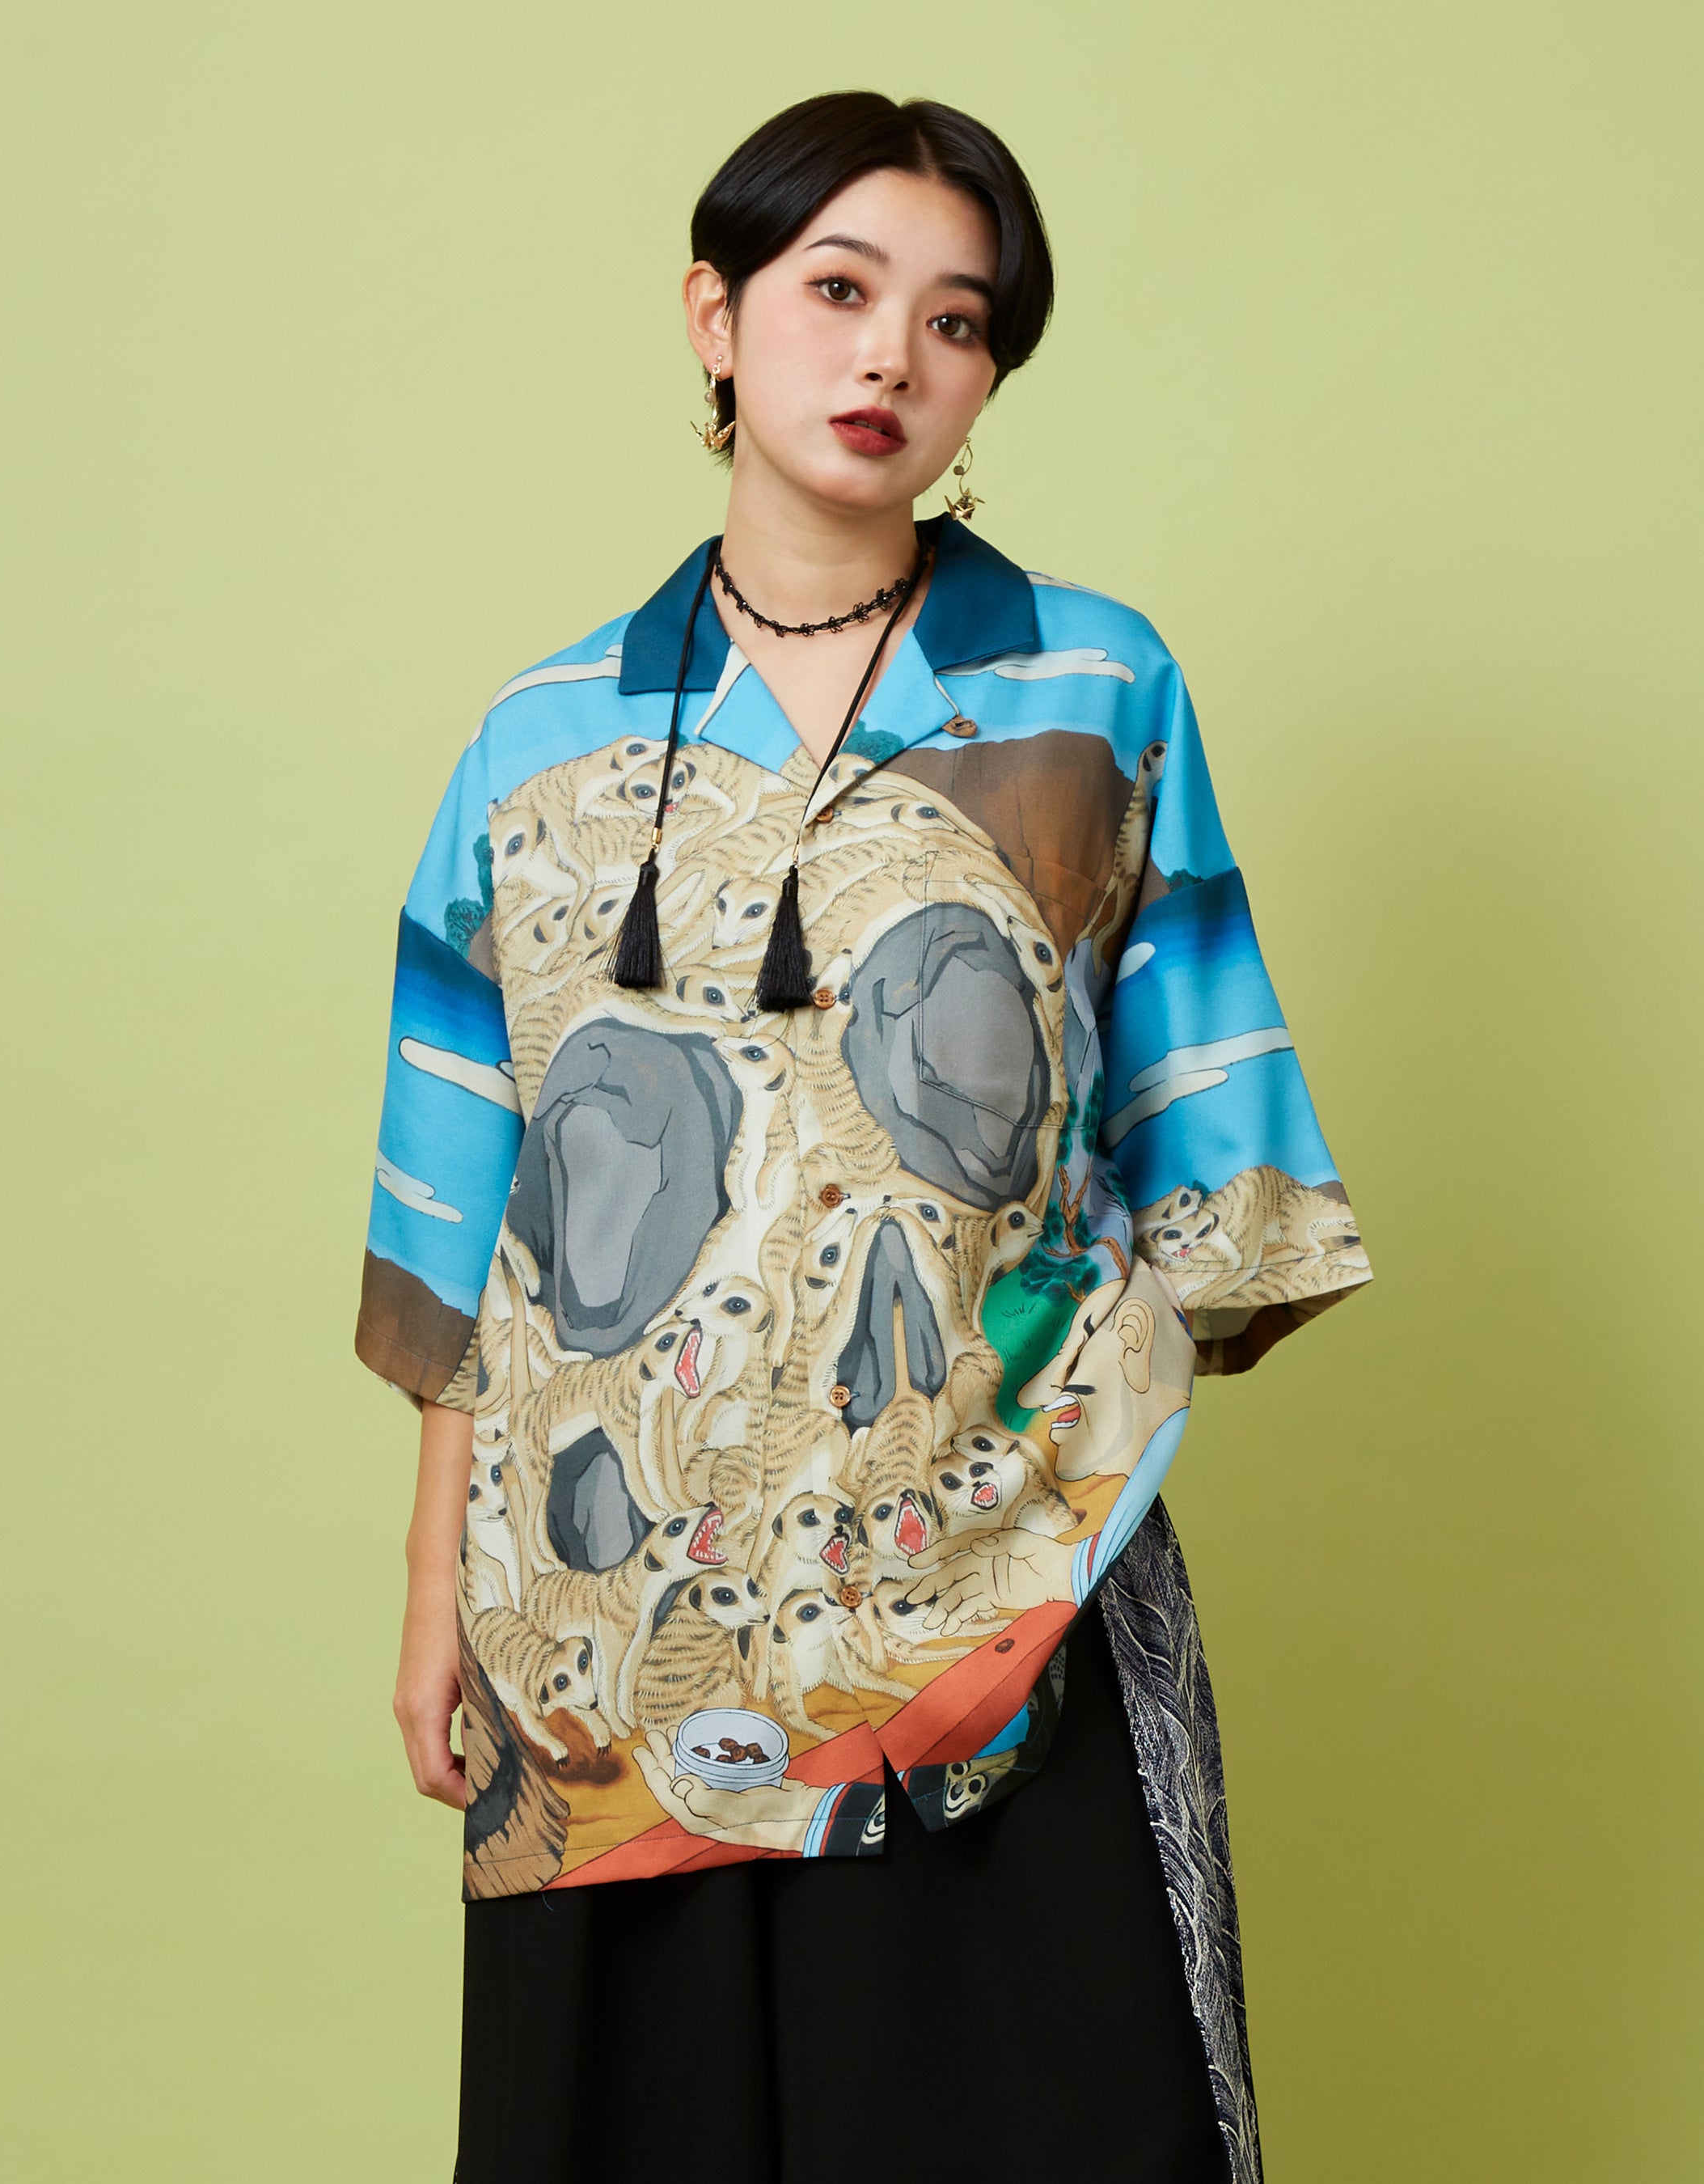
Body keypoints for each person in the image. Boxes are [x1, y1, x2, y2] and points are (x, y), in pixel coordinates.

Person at [355, 90, 1371, 2184]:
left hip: (1004, 1588)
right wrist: (434, 1583)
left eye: (957, 319)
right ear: (714, 319)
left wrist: (1045, 1421)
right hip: (611, 1627)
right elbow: (469, 1227)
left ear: (988, 376)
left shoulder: (1096, 690)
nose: (891, 352)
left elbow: (1216, 1161)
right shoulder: (533, 745)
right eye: (837, 289)